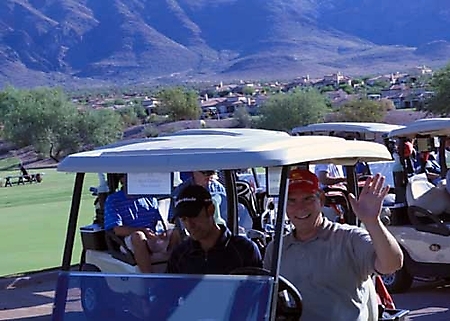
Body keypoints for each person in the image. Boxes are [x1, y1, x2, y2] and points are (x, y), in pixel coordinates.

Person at [263, 169, 403, 321]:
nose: (300, 208)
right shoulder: (277, 249)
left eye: (308, 199)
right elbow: (266, 298)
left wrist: (372, 222)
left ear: (321, 200)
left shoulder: (349, 238)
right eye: (291, 201)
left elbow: (392, 264)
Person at [167, 184, 262, 274]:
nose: (189, 225)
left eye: (194, 216)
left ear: (211, 210)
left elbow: (258, 289)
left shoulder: (244, 250)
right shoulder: (179, 255)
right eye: (183, 219)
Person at [104, 173, 169, 273]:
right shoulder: (114, 200)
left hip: (152, 235)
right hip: (132, 237)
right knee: (138, 236)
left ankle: (177, 274)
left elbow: (159, 221)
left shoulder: (148, 197)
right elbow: (117, 229)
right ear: (122, 180)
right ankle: (149, 281)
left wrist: (163, 231)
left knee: (178, 233)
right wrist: (143, 230)